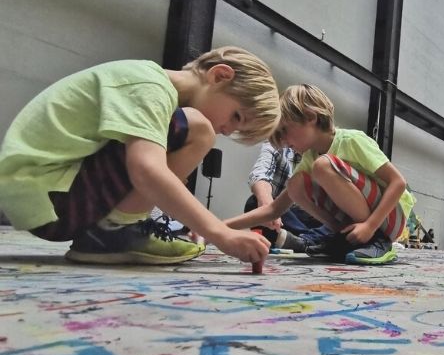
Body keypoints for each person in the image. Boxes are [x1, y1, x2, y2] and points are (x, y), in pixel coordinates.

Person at [0, 46, 278, 265]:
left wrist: (190, 222)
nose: (226, 129)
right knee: (198, 128)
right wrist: (219, 232)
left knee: (176, 138)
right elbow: (146, 170)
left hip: (43, 194)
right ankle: (113, 233)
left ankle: (119, 230)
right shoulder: (151, 86)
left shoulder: (146, 82)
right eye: (236, 116)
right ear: (219, 75)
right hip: (50, 197)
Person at [226, 84, 415, 265]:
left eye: (285, 130)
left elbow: (398, 182)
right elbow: (274, 209)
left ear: (310, 117)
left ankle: (376, 241)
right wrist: (219, 227)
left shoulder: (351, 141)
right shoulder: (309, 157)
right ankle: (340, 236)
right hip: (362, 220)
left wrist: (370, 226)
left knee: (322, 166)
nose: (283, 140)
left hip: (388, 218)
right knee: (295, 184)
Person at [246, 142, 332, 251]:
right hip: (288, 216)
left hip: (322, 217)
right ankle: (315, 240)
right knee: (253, 203)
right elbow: (259, 173)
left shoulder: (329, 146)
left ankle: (307, 240)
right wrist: (267, 204)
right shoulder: (278, 143)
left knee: (344, 218)